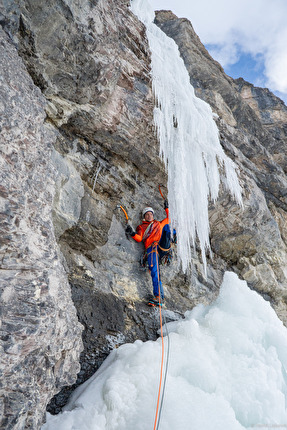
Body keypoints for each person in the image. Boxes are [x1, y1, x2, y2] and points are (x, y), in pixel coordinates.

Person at [125, 201, 171, 306]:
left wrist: (166, 208)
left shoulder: (158, 224)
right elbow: (139, 238)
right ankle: (159, 297)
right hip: (152, 249)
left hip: (160, 247)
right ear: (144, 217)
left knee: (167, 227)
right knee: (155, 272)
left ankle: (158, 297)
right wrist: (132, 233)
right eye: (147, 214)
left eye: (150, 214)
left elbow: (169, 219)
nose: (149, 215)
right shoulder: (142, 227)